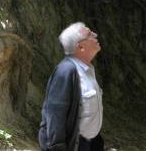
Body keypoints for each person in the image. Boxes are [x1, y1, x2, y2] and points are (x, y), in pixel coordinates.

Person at [38, 22, 104, 151]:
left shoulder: (87, 69)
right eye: (90, 34)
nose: (95, 35)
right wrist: (57, 147)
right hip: (73, 145)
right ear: (81, 47)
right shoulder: (66, 71)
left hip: (88, 143)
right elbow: (55, 115)